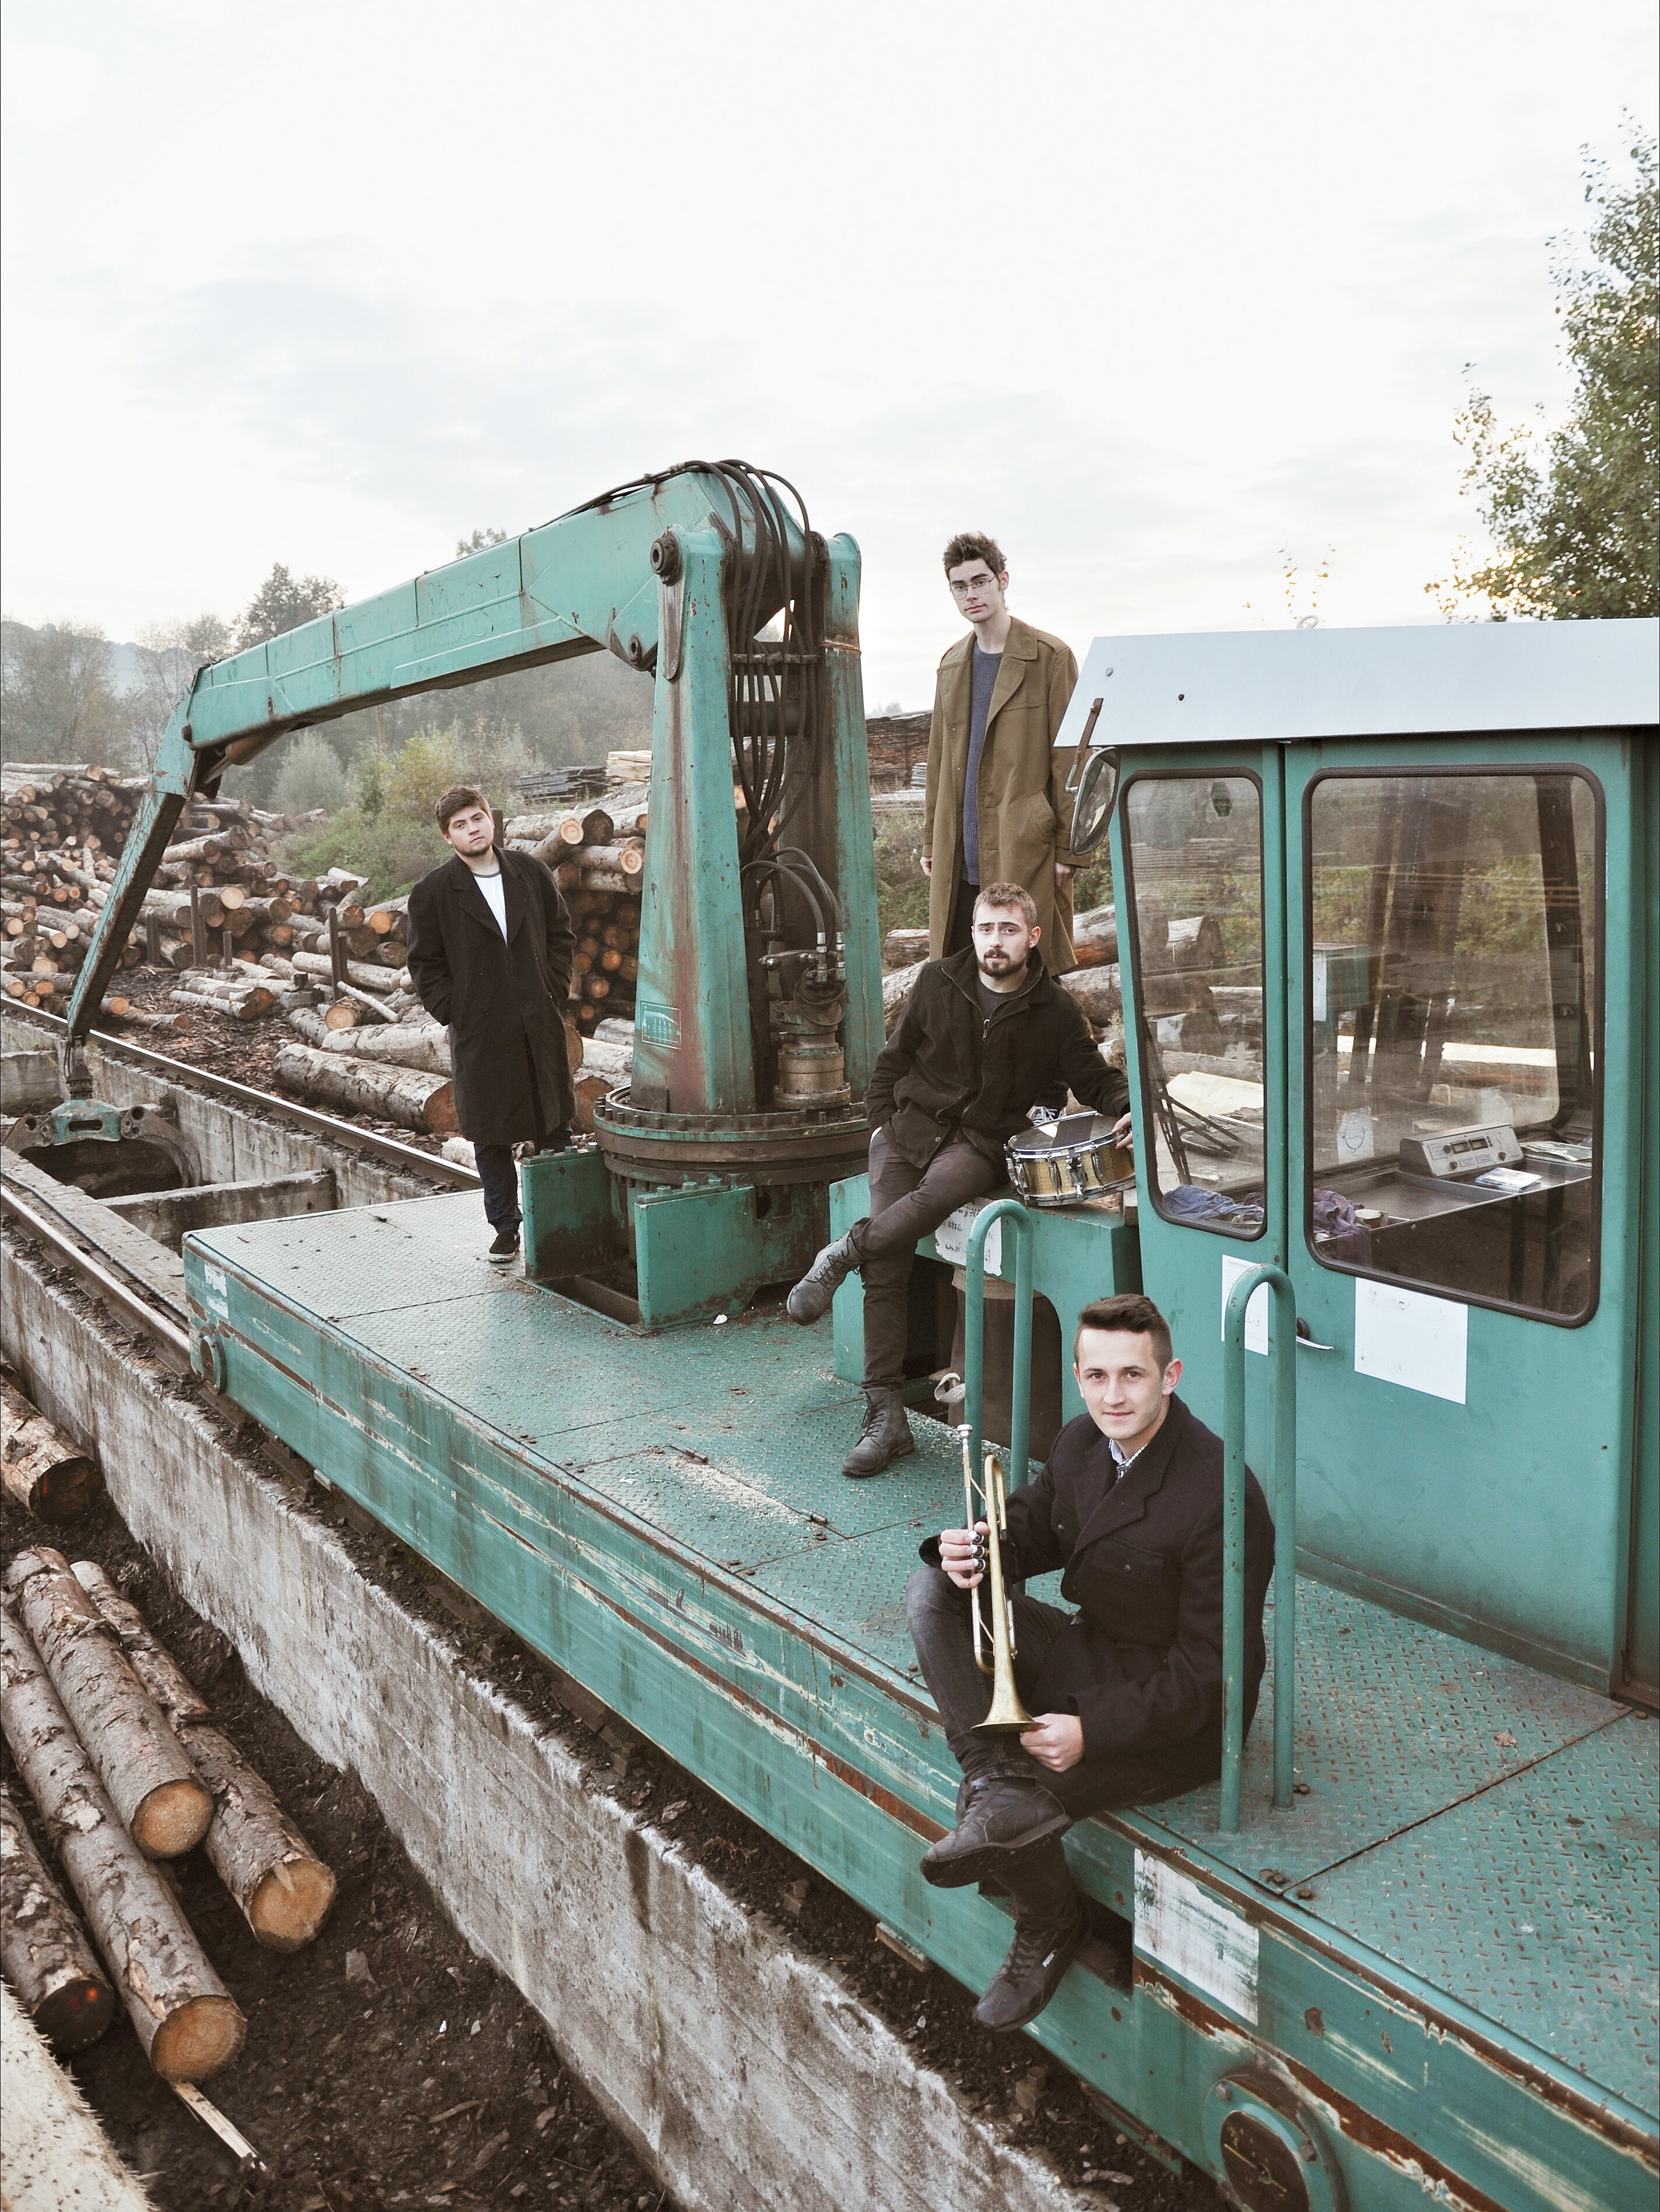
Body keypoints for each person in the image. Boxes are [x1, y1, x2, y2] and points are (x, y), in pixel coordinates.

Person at [905, 1293, 1275, 2032]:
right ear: (1077, 1378)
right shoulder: (1081, 1442)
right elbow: (1030, 1533)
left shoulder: (1221, 1495)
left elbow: (1209, 1675)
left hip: (1175, 1717)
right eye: (1097, 1376)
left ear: (1170, 1376)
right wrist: (970, 1551)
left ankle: (1049, 1923)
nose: (1114, 1396)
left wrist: (1089, 1732)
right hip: (1088, 1650)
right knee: (933, 1593)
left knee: (1013, 1811)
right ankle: (990, 1777)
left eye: (1133, 1375)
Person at [785, 883, 1131, 1475]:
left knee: (934, 1197)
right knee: (889, 1258)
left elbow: (1094, 1079)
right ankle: (885, 1416)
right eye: (986, 928)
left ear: (1033, 937)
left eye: (1009, 930)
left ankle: (843, 1253)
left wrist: (1131, 1105)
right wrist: (879, 1126)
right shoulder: (937, 981)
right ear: (972, 932)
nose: (996, 941)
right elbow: (893, 1061)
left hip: (979, 1143)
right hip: (908, 1130)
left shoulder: (1055, 1010)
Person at [407, 786, 575, 1265]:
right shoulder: (433, 893)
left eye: (477, 818)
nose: (472, 829)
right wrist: (455, 1009)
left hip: (537, 1020)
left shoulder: (530, 872)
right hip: (481, 1030)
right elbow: (424, 964)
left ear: (491, 820)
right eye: (460, 825)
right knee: (491, 1134)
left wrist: (554, 987)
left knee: (553, 1123)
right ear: (448, 836)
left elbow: (561, 933)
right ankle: (505, 1226)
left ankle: (560, 1220)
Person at [921, 533, 1085, 968]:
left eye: (980, 582)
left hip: (1025, 849)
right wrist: (931, 840)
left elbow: (1072, 762)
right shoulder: (951, 664)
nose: (971, 595)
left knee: (1031, 973)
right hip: (960, 854)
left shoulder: (1050, 657)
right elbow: (938, 762)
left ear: (1003, 580)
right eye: (960, 586)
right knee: (959, 977)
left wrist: (1070, 851)